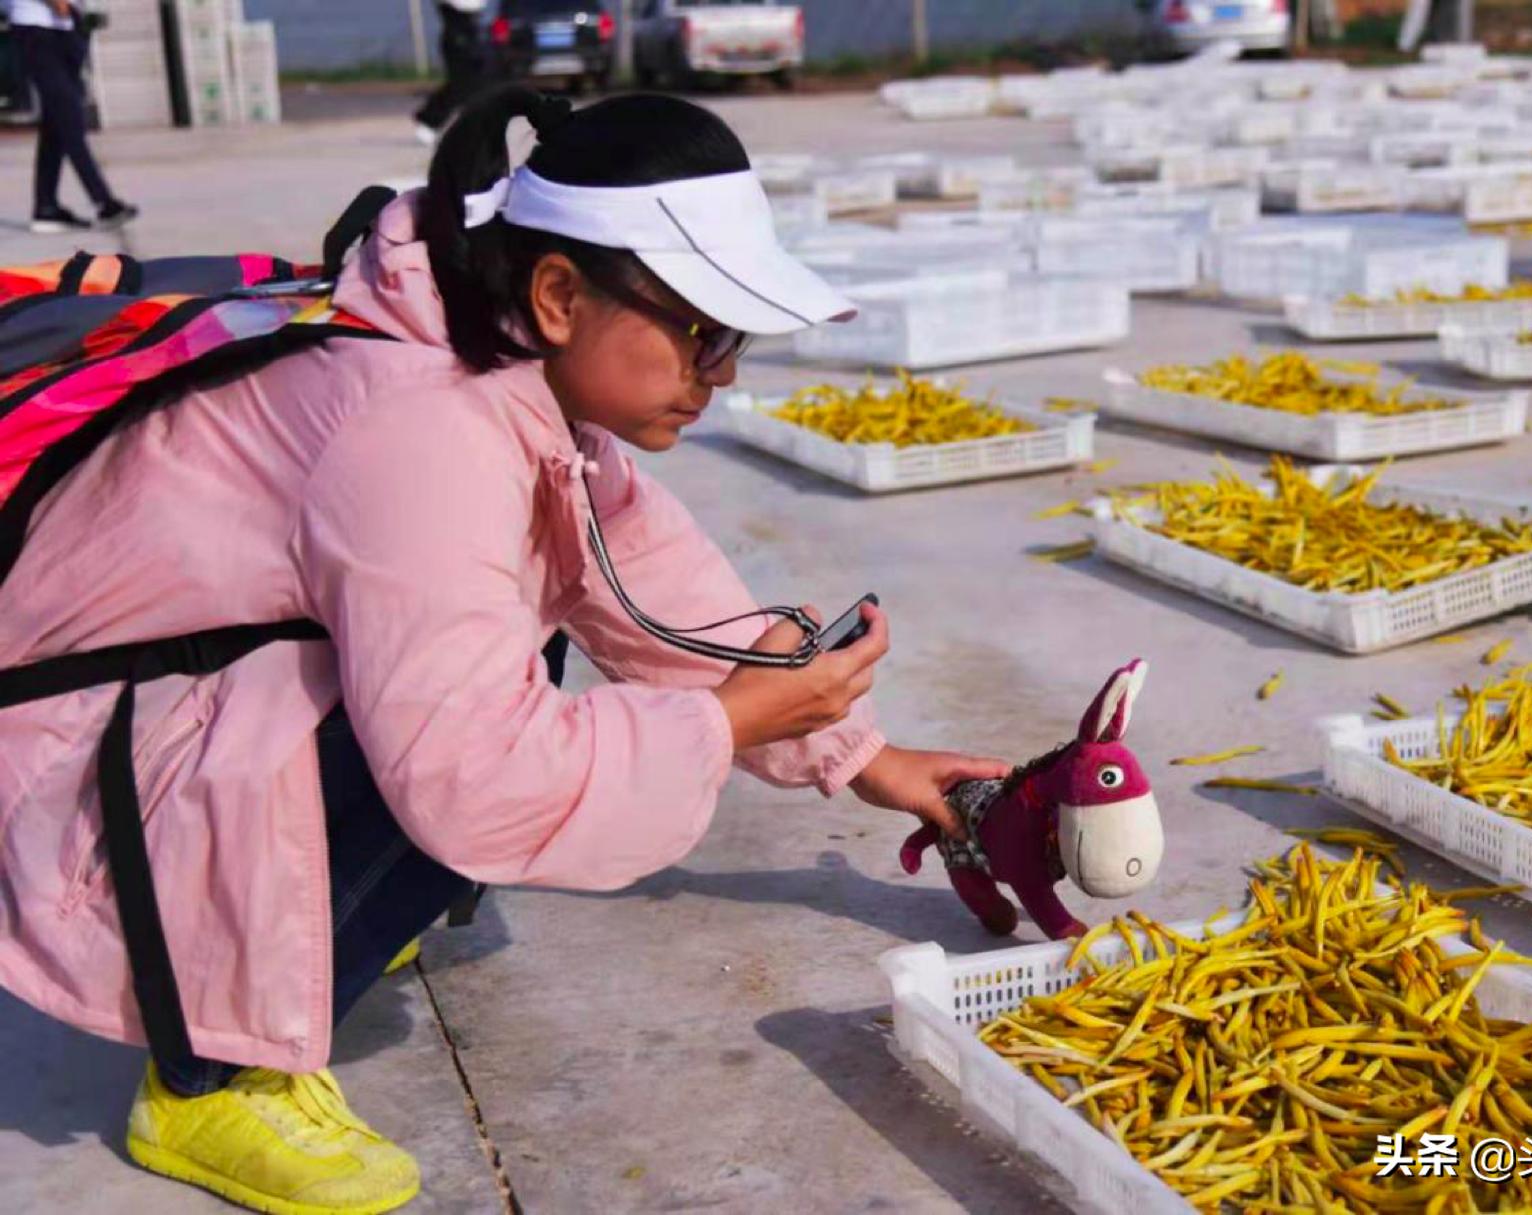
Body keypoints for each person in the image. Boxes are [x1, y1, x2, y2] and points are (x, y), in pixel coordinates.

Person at [0, 87, 1009, 1215]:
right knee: (473, 731)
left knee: (513, 656)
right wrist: (724, 725)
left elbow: (645, 580)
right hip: (67, 769)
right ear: (559, 293)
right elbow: (471, 777)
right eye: (698, 330)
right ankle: (209, 1074)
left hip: (144, 709)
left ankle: (290, 928)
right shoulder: (421, 427)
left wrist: (869, 761)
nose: (717, 373)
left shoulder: (497, 366)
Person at [8, 0, 138, 232]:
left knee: (56, 125)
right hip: (37, 29)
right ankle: (104, 203)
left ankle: (46, 208)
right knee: (69, 121)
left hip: (61, 26)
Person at [414, 0, 488, 145]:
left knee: (474, 83)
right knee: (460, 85)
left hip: (471, 34)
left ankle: (431, 119)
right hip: (456, 37)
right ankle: (430, 120)